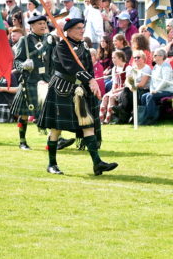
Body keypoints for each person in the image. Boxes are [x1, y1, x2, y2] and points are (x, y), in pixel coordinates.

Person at [39, 17, 117, 176]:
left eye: (83, 27)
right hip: (61, 90)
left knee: (88, 125)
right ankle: (52, 164)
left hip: (80, 91)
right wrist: (90, 80)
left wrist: (91, 85)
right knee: (56, 129)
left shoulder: (83, 46)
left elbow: (88, 68)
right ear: (68, 31)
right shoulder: (61, 46)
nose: (82, 30)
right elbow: (71, 66)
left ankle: (97, 163)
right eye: (78, 28)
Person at [8, 14, 55, 150]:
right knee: (24, 113)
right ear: (32, 26)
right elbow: (17, 62)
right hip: (30, 80)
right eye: (39, 23)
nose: (43, 26)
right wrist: (23, 65)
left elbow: (53, 58)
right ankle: (22, 141)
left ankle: (54, 139)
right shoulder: (25, 40)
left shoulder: (49, 39)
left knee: (49, 110)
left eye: (44, 23)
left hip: (46, 80)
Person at [141, 48, 173, 125]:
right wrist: (151, 90)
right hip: (159, 91)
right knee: (144, 96)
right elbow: (152, 82)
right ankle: (145, 116)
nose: (153, 56)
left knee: (150, 96)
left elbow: (165, 81)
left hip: (168, 91)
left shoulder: (166, 66)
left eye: (155, 55)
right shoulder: (156, 67)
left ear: (161, 56)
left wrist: (156, 90)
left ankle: (151, 118)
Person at [99, 50, 128, 124]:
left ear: (121, 58)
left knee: (112, 97)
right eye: (112, 58)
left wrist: (116, 91)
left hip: (124, 90)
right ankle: (101, 118)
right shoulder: (114, 69)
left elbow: (127, 85)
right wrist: (113, 90)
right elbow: (114, 83)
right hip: (116, 89)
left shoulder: (128, 68)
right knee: (105, 96)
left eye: (114, 58)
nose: (113, 60)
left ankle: (108, 119)